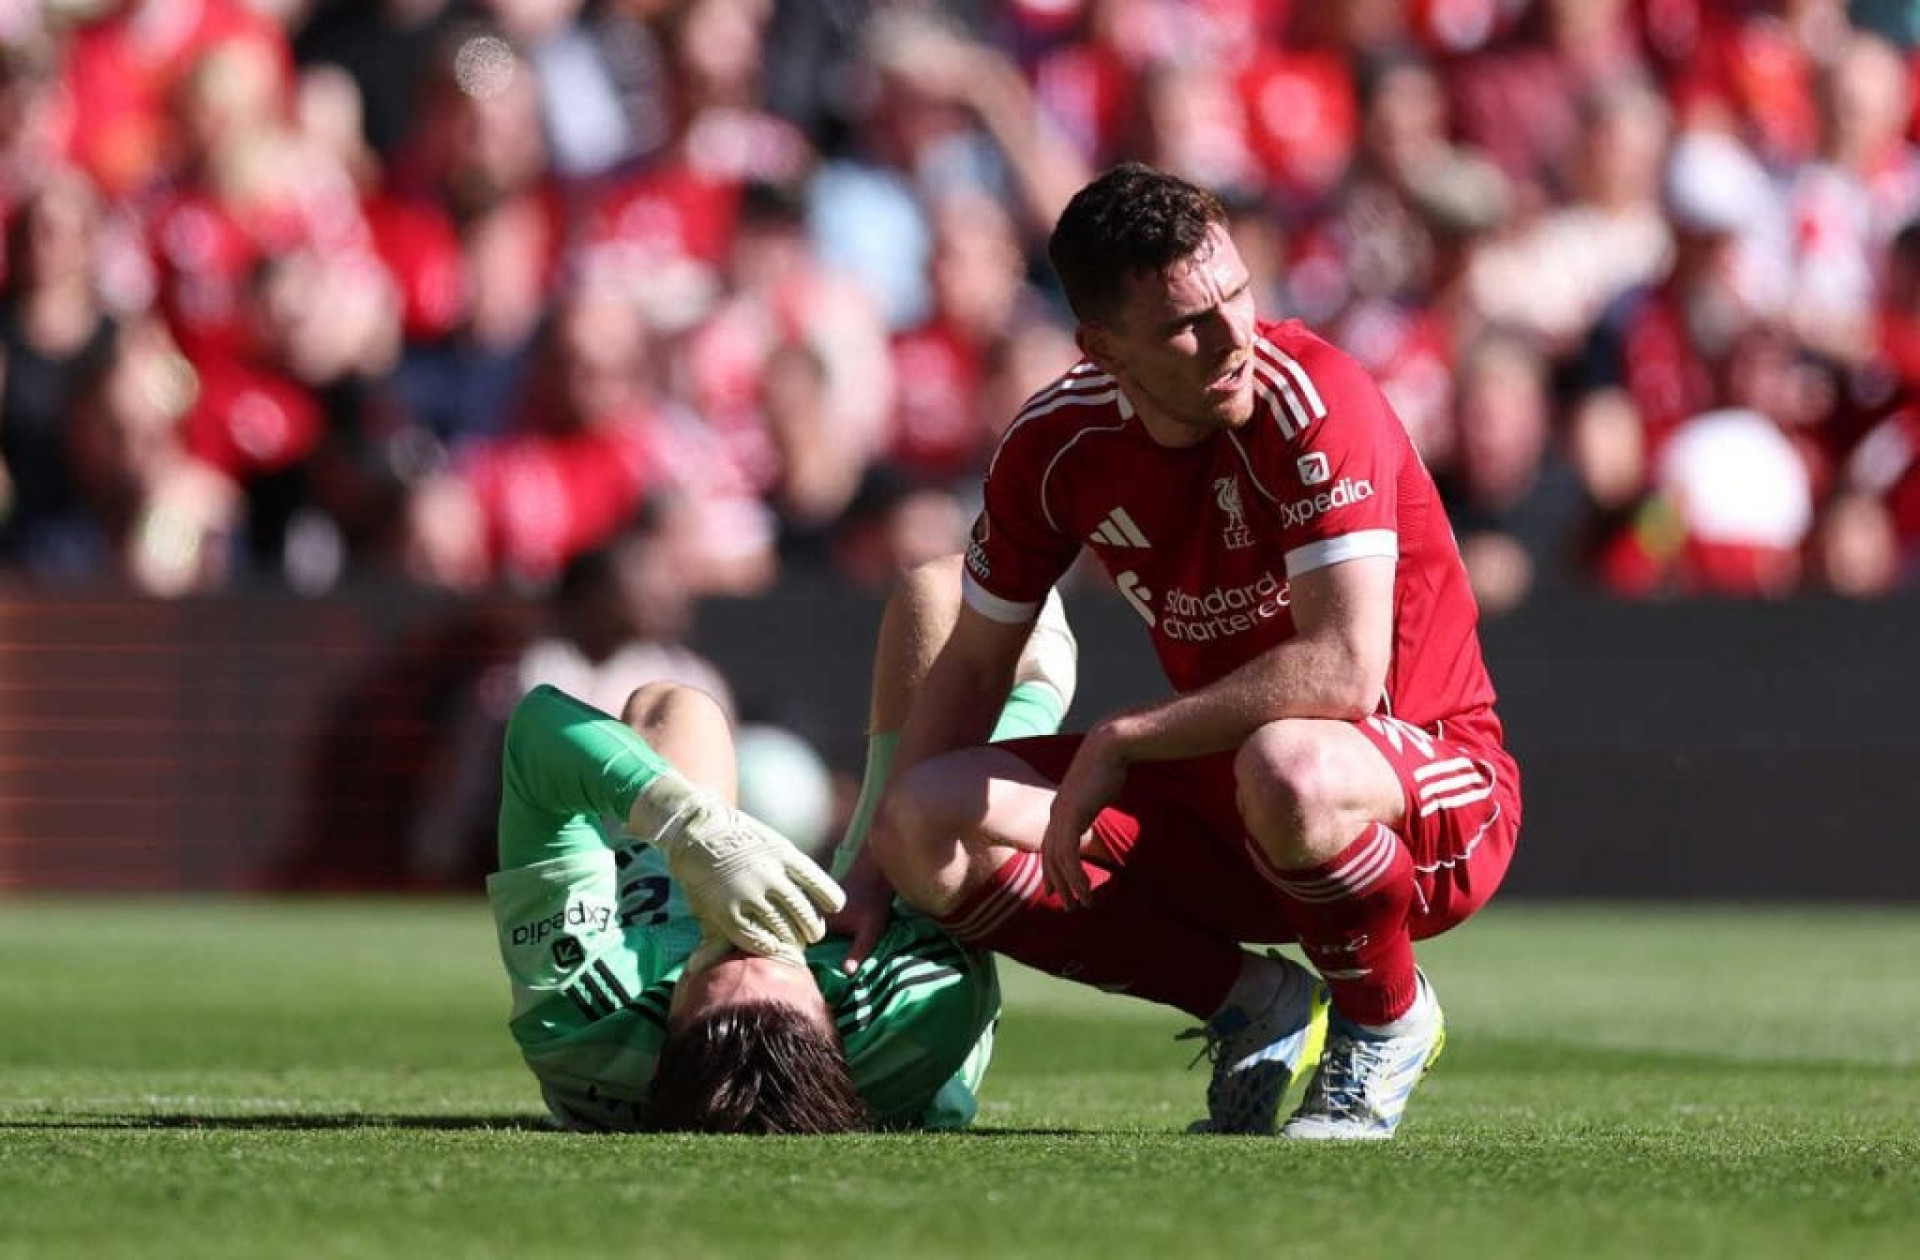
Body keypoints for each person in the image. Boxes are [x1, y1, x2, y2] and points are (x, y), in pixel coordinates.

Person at [856, 163, 1522, 1140]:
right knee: (922, 824)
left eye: (1238, 294)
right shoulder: (1055, 446)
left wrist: (1125, 735)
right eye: (1184, 324)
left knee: (1289, 763)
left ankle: (1385, 1020)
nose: (1232, 336)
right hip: (1228, 807)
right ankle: (1250, 1000)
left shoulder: (1316, 399)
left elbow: (1343, 673)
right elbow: (971, 665)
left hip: (1424, 794)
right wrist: (874, 873)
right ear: (1102, 347)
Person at [485, 556, 1077, 1133]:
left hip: (659, 971)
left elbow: (536, 734)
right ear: (829, 1011)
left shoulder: (581, 1020)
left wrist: (691, 827)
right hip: (870, 948)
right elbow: (957, 811)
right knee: (940, 594)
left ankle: (699, 866)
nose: (748, 929)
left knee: (673, 708)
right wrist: (1033, 697)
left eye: (723, 956)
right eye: (770, 953)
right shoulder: (911, 1006)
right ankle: (1047, 670)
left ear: (667, 1021)